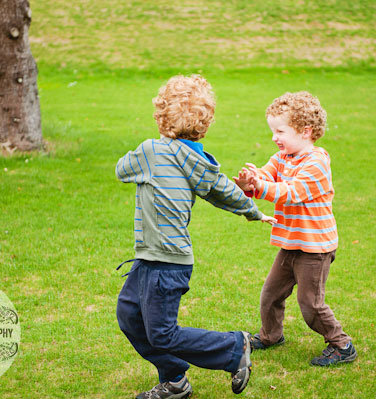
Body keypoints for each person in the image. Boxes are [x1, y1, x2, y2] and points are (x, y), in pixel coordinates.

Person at [115, 74, 276, 399]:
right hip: (154, 259)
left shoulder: (150, 151)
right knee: (130, 314)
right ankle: (175, 380)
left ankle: (233, 348)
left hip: (164, 263)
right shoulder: (199, 162)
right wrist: (254, 211)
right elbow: (225, 191)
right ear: (203, 126)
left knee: (162, 334)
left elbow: (121, 170)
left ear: (160, 117)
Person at [233, 91, 357, 367]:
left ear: (305, 131)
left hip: (314, 248)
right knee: (271, 294)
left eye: (280, 131)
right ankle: (271, 335)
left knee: (311, 304)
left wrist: (261, 187)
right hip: (291, 242)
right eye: (273, 131)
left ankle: (341, 344)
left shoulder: (316, 163)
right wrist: (252, 181)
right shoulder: (283, 157)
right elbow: (267, 174)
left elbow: (291, 192)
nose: (275, 137)